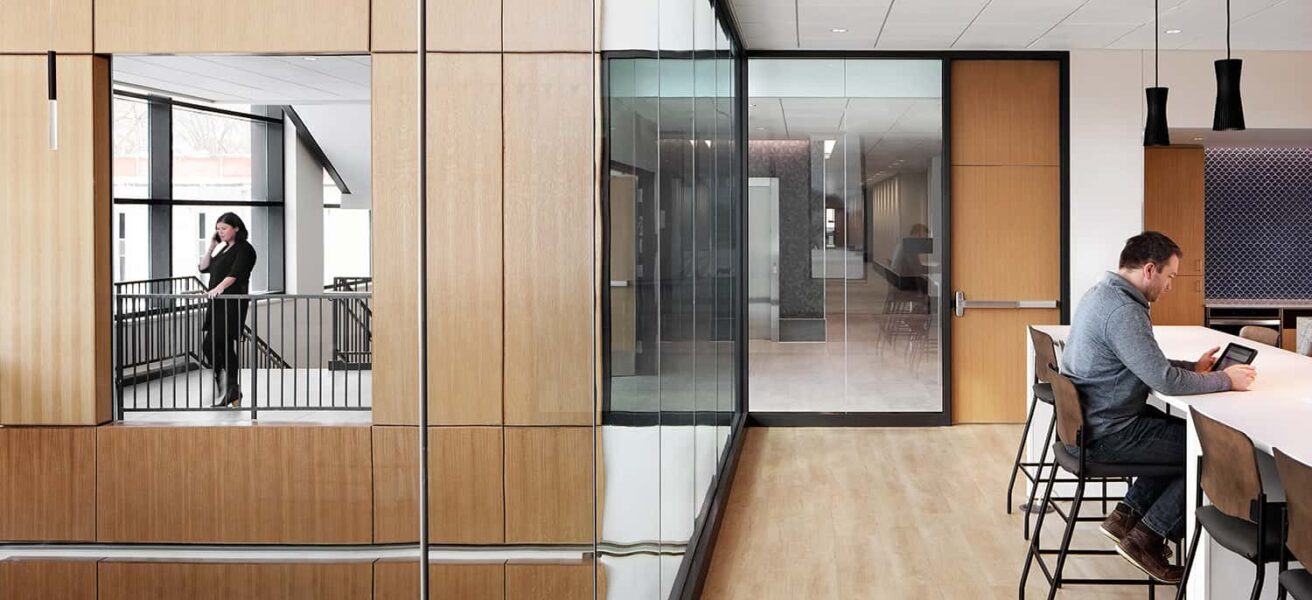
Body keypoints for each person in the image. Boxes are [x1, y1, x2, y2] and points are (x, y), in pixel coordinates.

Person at [1062, 231, 1257, 583]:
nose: (1170, 286)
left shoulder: (1101, 295)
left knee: (1186, 435)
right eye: (1170, 276)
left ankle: (1127, 514)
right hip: (1109, 432)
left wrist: (1192, 368)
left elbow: (1146, 363)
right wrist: (1227, 380)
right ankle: (1147, 538)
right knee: (1209, 451)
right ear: (1150, 270)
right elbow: (1163, 382)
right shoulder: (1124, 310)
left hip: (1095, 421)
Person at [198, 212, 258, 408]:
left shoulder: (245, 249)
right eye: (218, 229)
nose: (220, 232)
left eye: (224, 228)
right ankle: (230, 387)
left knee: (218, 342)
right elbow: (204, 267)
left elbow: (236, 273)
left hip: (231, 303)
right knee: (215, 345)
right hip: (217, 303)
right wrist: (212, 246)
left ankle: (229, 385)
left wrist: (218, 288)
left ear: (236, 228)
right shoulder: (224, 249)